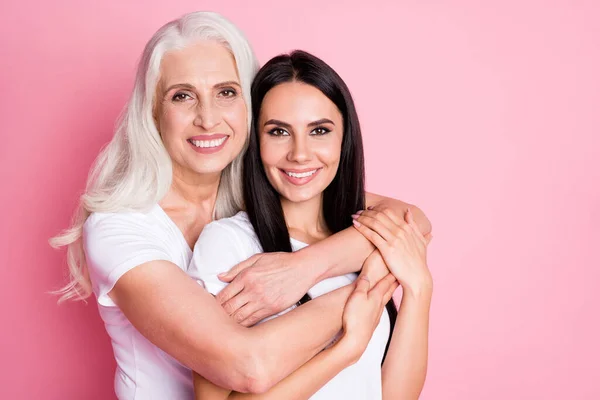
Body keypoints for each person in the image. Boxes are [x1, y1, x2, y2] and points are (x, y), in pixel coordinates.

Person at [50, 11, 431, 399]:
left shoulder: (265, 195)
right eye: (182, 96)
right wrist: (372, 289)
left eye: (226, 92)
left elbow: (410, 220)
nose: (208, 118)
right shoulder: (120, 228)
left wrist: (303, 269)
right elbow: (246, 367)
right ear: (152, 111)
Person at [189, 50, 433, 400]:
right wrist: (345, 349)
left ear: (344, 139)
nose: (300, 154)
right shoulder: (229, 244)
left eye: (319, 130)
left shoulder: (360, 240)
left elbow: (395, 396)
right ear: (255, 141)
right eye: (278, 132)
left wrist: (420, 289)